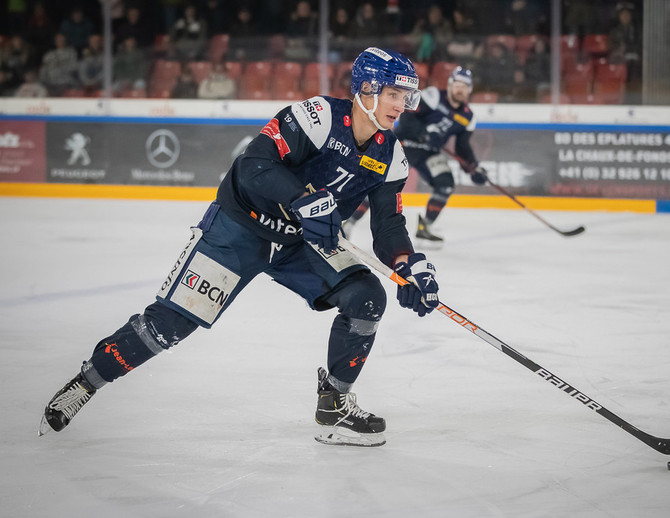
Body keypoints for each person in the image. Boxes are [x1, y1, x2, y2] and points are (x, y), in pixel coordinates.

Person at [39, 47, 439, 448]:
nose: (401, 106)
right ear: (365, 89)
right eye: (393, 94)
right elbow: (254, 166)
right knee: (168, 327)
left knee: (367, 297)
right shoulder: (316, 116)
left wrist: (407, 263)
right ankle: (87, 381)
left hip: (299, 243)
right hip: (239, 229)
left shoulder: (391, 157)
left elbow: (387, 224)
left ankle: (333, 406)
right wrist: (304, 199)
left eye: (406, 96)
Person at [344, 66, 487, 244]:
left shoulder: (468, 117)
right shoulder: (433, 96)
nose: (460, 89)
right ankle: (348, 223)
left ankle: (425, 227)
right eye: (457, 84)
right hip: (402, 145)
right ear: (450, 85)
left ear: (470, 90)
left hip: (428, 153)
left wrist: (473, 168)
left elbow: (462, 147)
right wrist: (424, 132)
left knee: (446, 184)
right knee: (375, 184)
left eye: (465, 86)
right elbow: (407, 117)